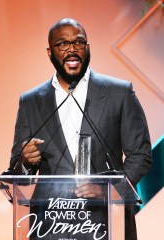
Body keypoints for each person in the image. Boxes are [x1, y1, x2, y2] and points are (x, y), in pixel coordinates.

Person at [9, 18, 152, 240]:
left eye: (78, 42)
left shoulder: (120, 93)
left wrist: (108, 190)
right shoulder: (30, 101)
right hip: (50, 227)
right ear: (50, 52)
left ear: (87, 47)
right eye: (62, 44)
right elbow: (17, 172)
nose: (72, 50)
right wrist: (26, 163)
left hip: (106, 222)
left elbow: (140, 155)